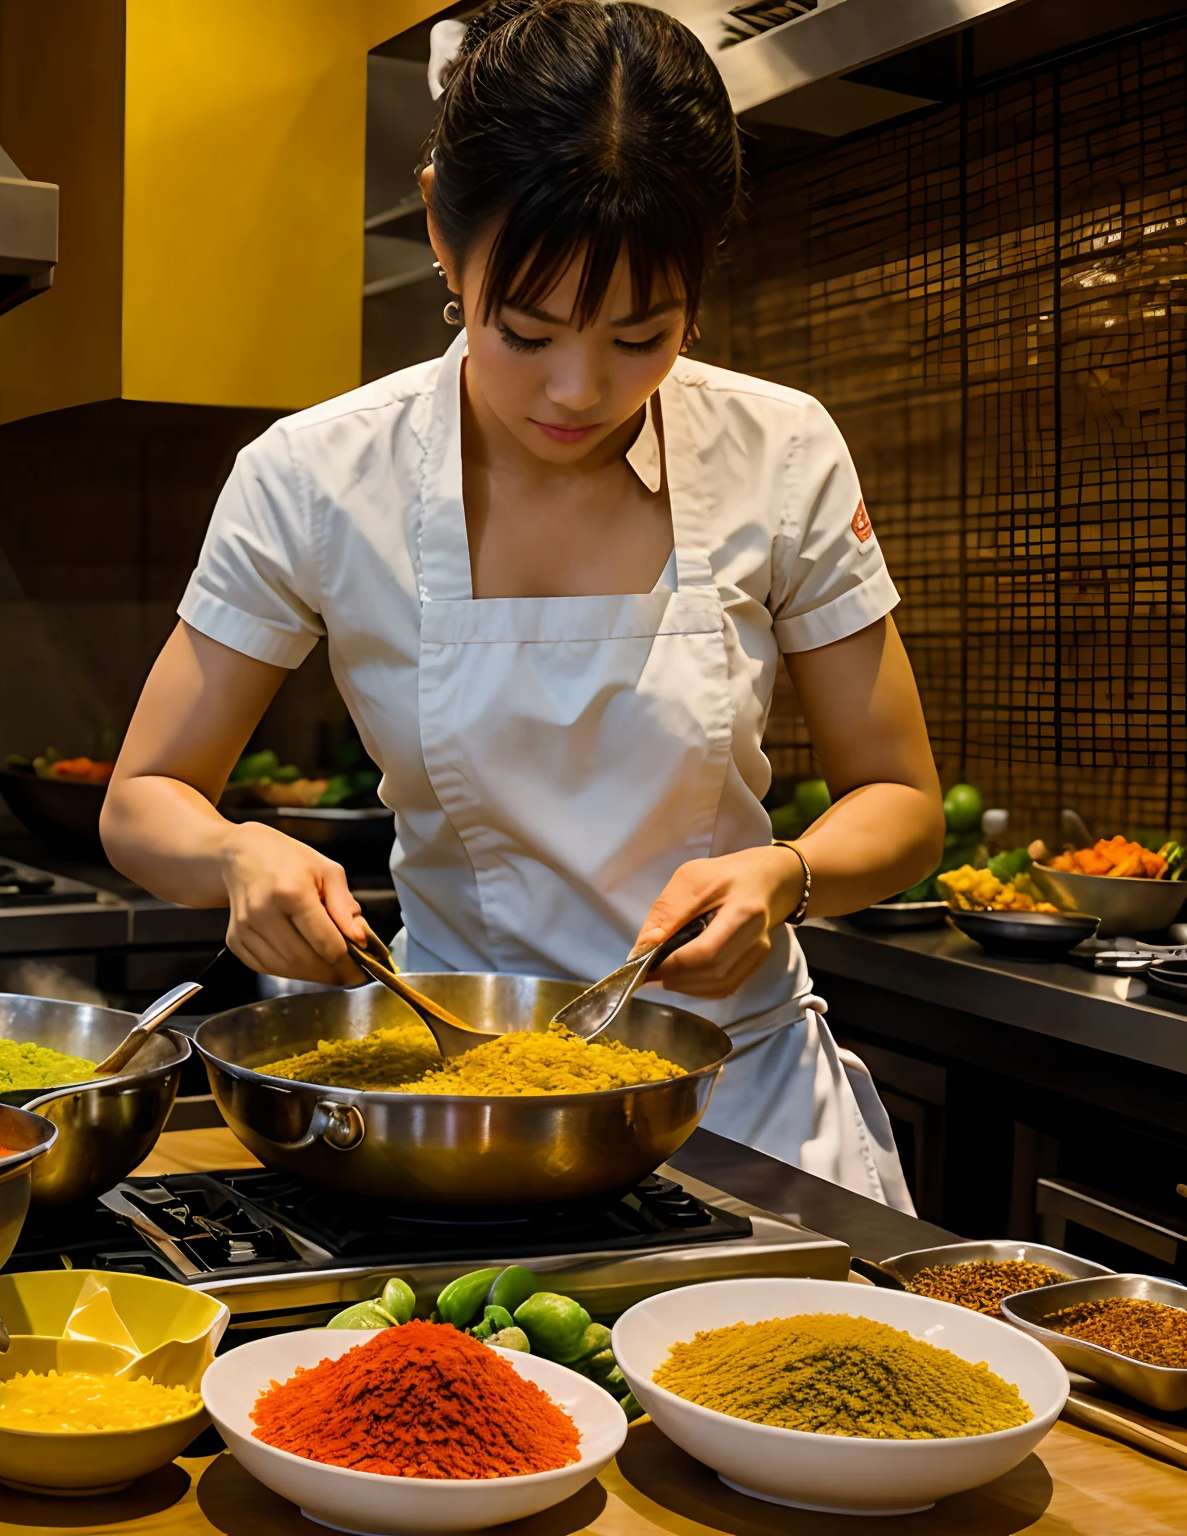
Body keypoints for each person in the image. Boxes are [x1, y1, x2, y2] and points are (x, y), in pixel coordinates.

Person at [102, 0, 944, 1209]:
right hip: (458, 1097)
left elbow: (903, 802)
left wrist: (786, 876)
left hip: (738, 1103)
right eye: (527, 329)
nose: (578, 389)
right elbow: (142, 801)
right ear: (446, 231)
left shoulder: (781, 449)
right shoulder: (317, 474)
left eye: (641, 335)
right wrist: (237, 853)